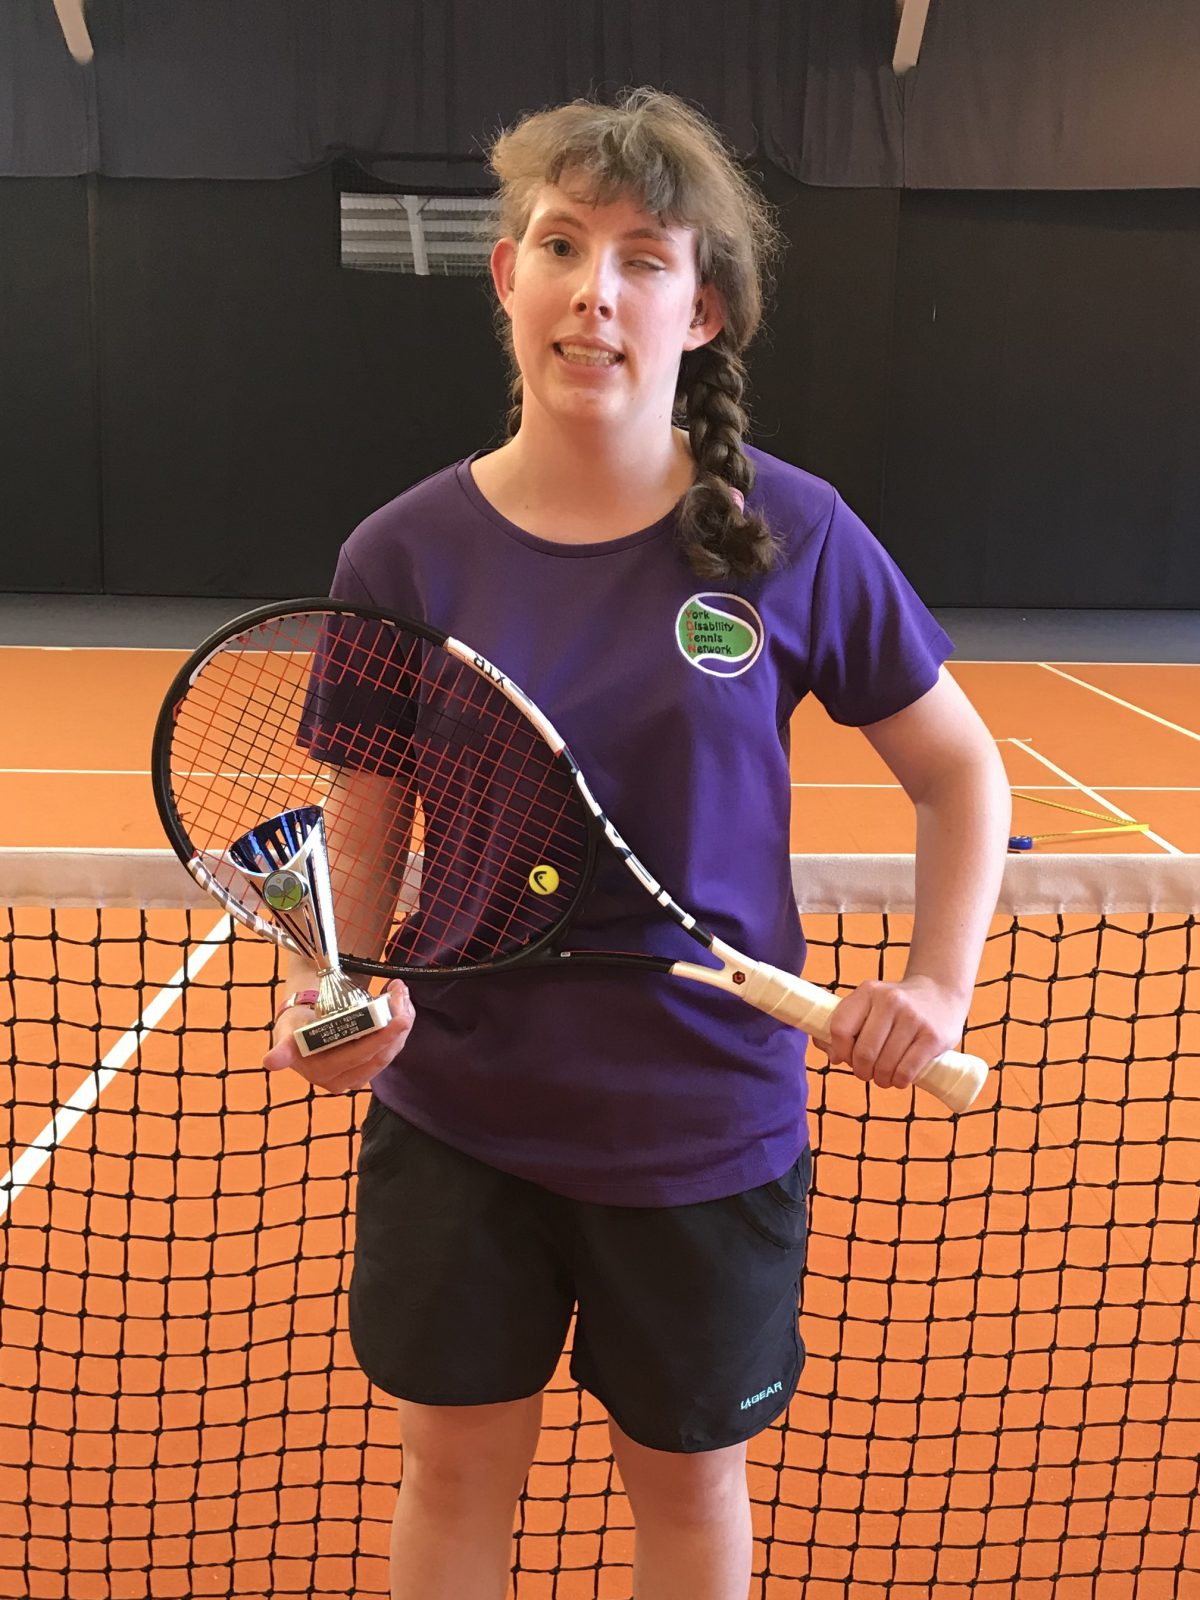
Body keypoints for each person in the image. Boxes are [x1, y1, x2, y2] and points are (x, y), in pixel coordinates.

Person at [263, 87, 1010, 1600]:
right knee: (454, 1472)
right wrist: (331, 990)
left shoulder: (791, 532)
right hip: (463, 1116)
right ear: (507, 279)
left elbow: (963, 775)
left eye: (643, 256)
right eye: (559, 243)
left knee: (688, 1492)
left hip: (704, 1129)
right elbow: (367, 819)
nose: (594, 289)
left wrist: (939, 988)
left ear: (706, 307)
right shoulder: (400, 555)